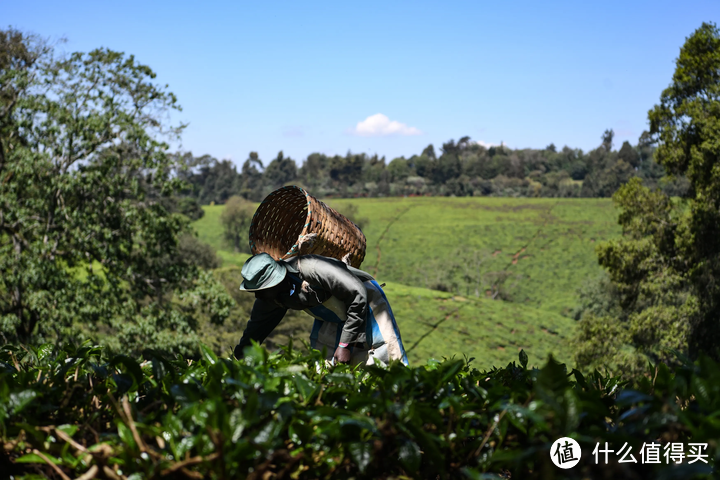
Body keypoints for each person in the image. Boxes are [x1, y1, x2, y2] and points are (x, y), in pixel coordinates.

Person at [234, 252, 408, 366]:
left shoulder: (314, 269)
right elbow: (256, 327)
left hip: (365, 304)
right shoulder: (270, 297)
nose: (258, 296)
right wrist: (237, 357)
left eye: (260, 291)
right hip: (331, 316)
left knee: (384, 357)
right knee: (326, 367)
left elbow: (357, 294)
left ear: (276, 282)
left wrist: (344, 344)